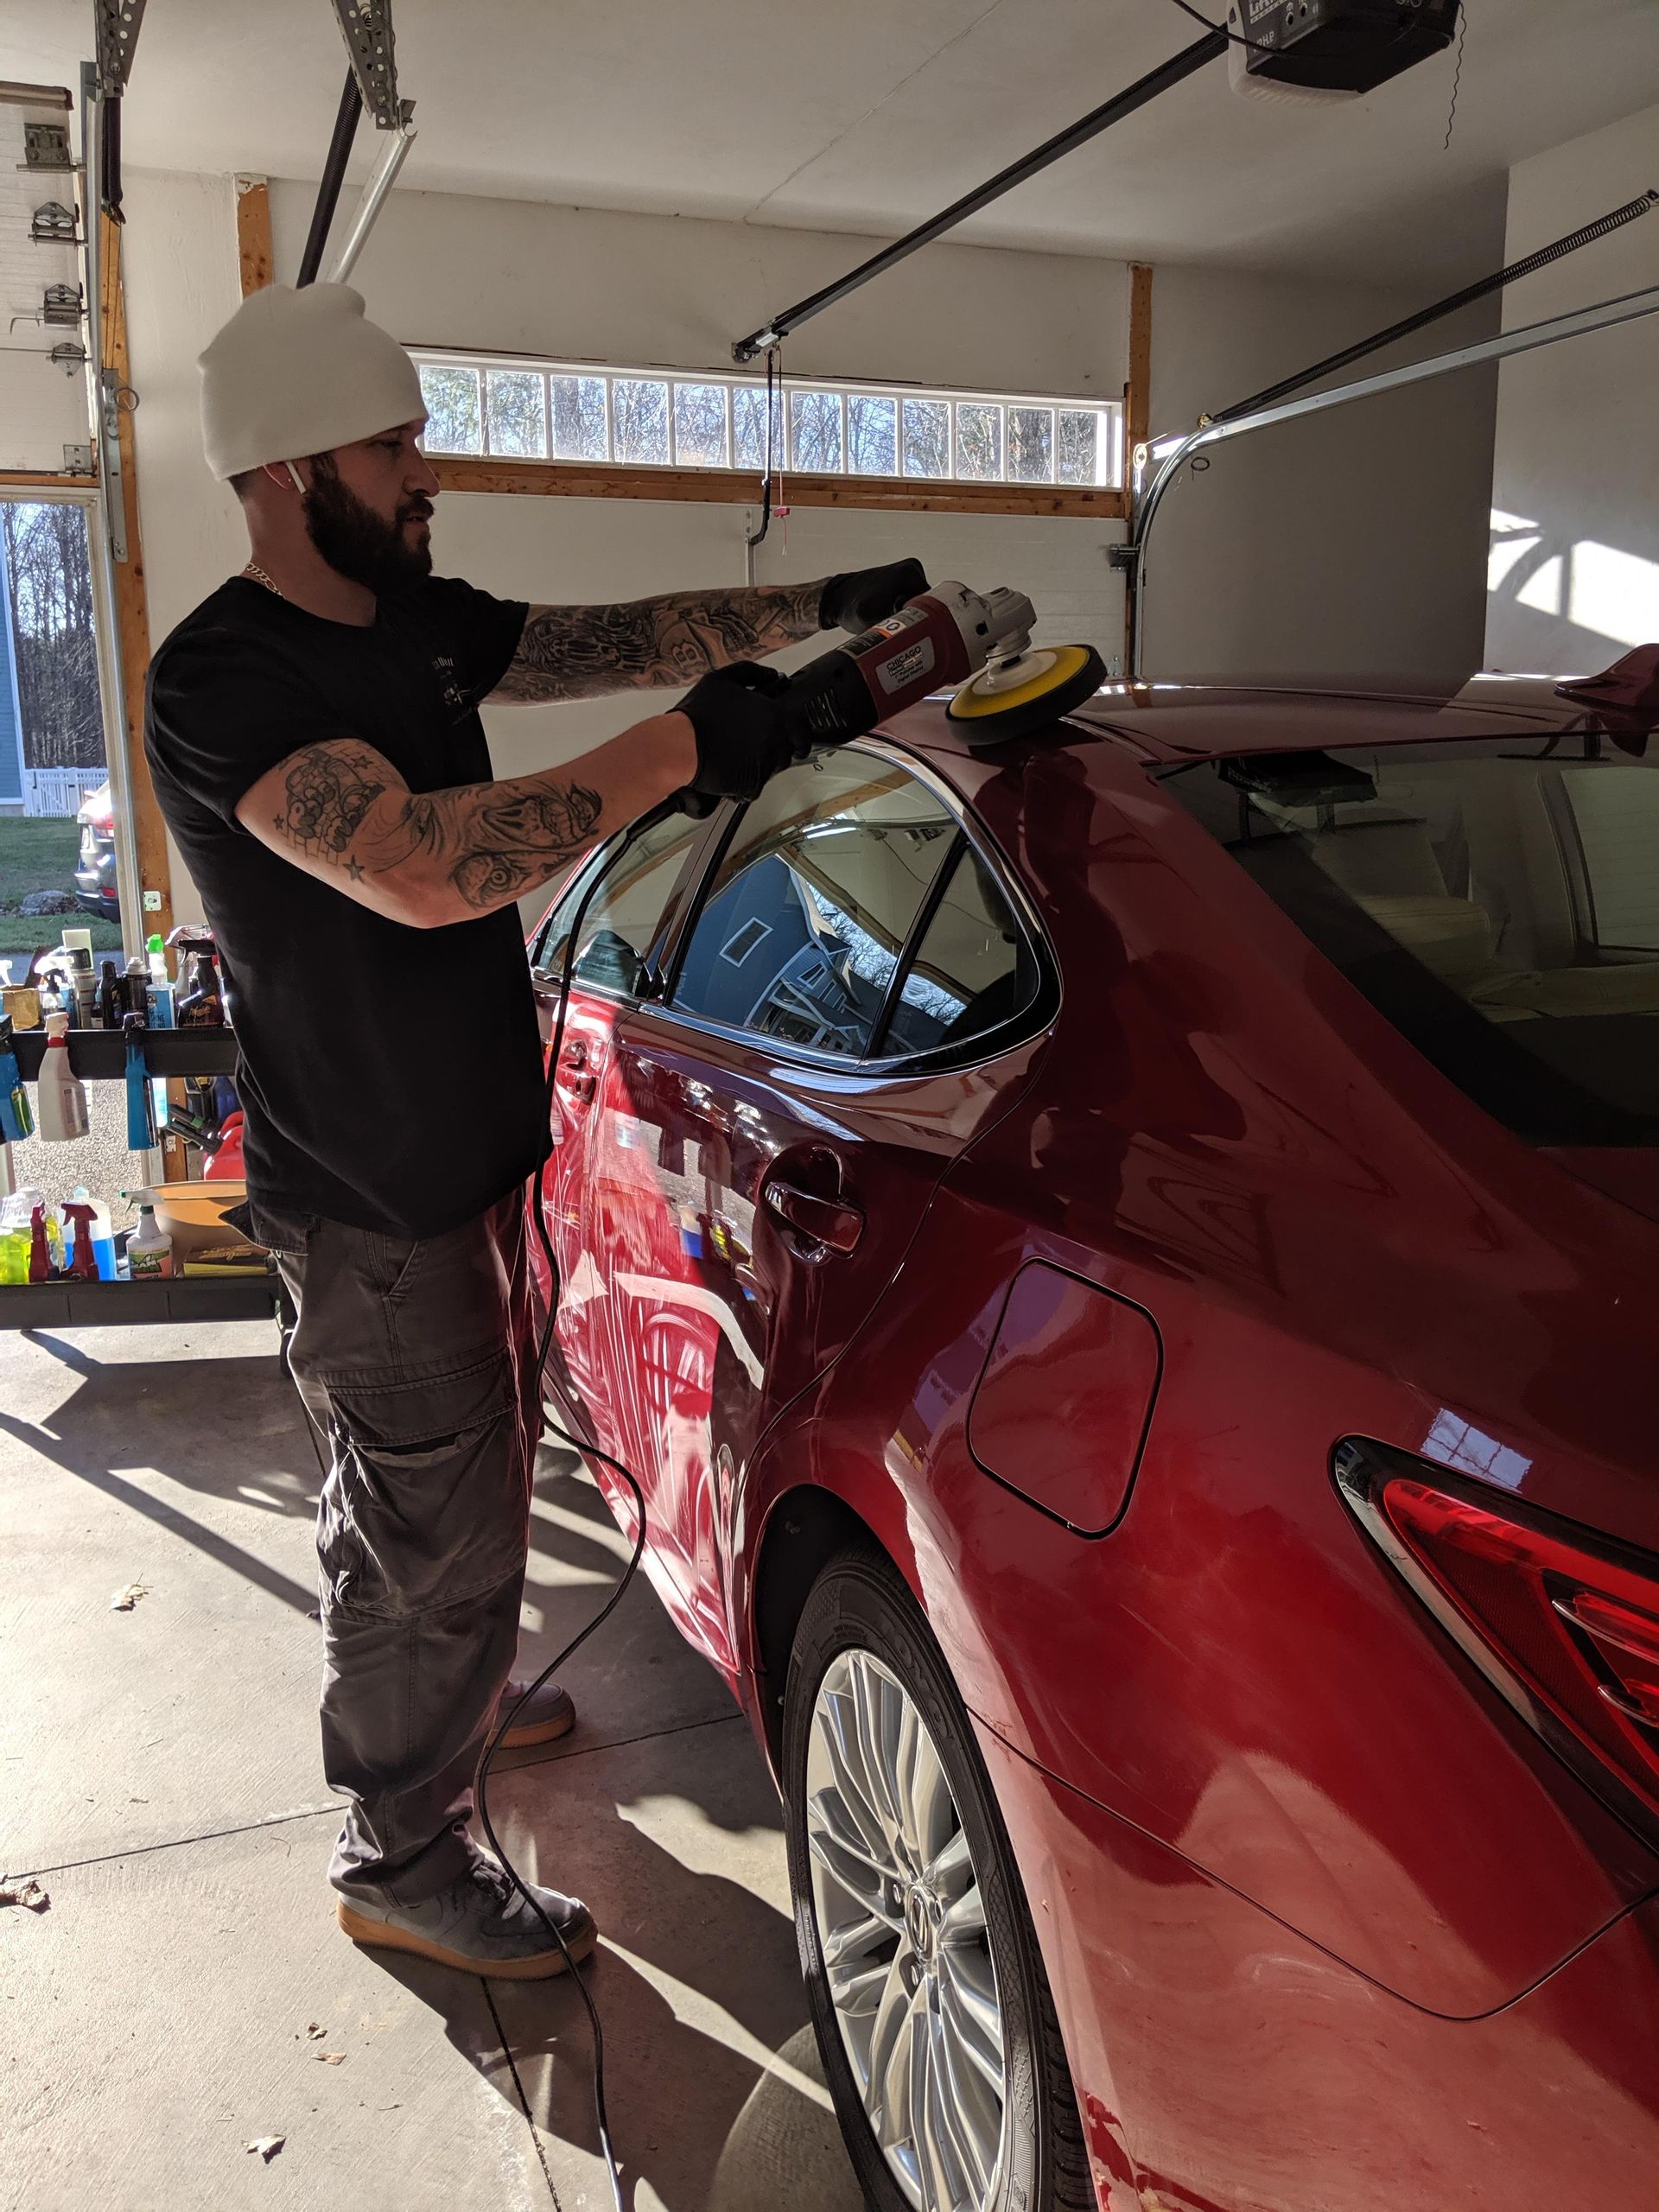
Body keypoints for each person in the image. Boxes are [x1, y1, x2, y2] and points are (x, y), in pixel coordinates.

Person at [143, 281, 926, 1979]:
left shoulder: (407, 615)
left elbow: (607, 638)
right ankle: (404, 1847)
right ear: (287, 468)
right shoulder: (220, 677)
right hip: (369, 1196)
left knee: (437, 1499)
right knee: (440, 1525)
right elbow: (428, 864)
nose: (431, 471)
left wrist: (807, 609)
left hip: (466, 1162)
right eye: (397, 441)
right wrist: (688, 748)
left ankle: (457, 1701)